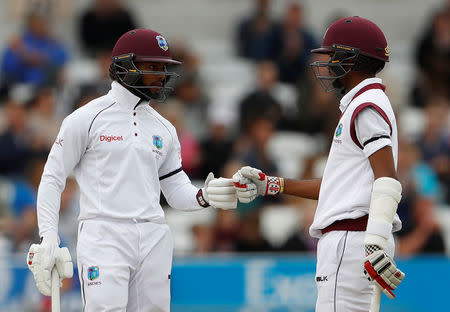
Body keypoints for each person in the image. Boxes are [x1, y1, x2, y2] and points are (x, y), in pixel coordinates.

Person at [26, 28, 237, 312]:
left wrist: (205, 196)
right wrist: (48, 237)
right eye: (152, 67)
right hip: (103, 233)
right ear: (125, 67)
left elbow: (174, 189)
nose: (161, 75)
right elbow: (52, 178)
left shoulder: (165, 128)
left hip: (154, 235)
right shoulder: (87, 118)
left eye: (163, 68)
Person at [233, 17, 405, 311]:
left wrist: (374, 241)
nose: (326, 65)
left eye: (332, 56)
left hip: (353, 239)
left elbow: (387, 179)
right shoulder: (366, 103)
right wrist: (274, 184)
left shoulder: (366, 107)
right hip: (359, 238)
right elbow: (339, 188)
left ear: (351, 59)